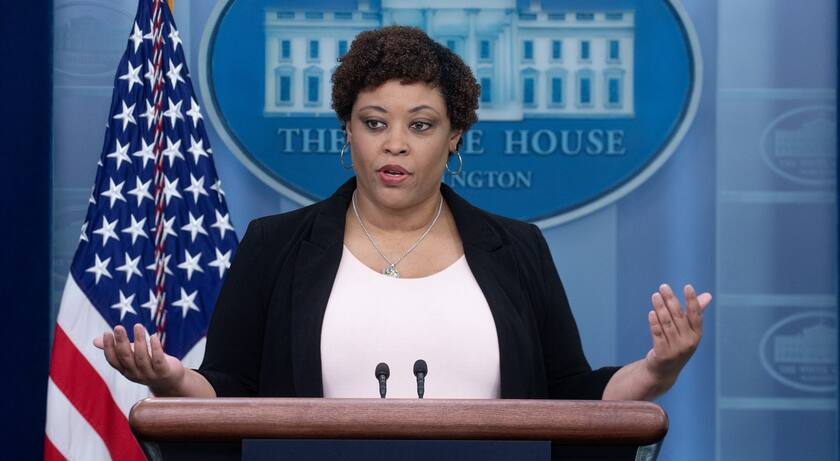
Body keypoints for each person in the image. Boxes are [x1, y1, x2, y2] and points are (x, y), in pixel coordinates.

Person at [94, 26, 712, 400]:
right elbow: (230, 393)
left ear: (453, 137)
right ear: (347, 132)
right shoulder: (275, 245)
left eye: (420, 125)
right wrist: (171, 379)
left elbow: (572, 396)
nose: (395, 143)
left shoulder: (517, 248)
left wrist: (657, 369)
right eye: (374, 123)